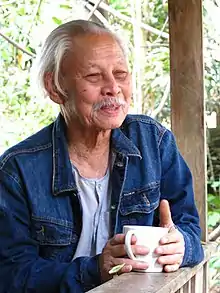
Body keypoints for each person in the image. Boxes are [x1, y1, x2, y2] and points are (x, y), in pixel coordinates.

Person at [0, 20, 204, 293]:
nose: (113, 88)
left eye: (120, 74)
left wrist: (181, 246)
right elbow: (11, 274)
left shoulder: (154, 143)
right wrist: (94, 270)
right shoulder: (18, 170)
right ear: (55, 87)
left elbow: (188, 228)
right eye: (94, 76)